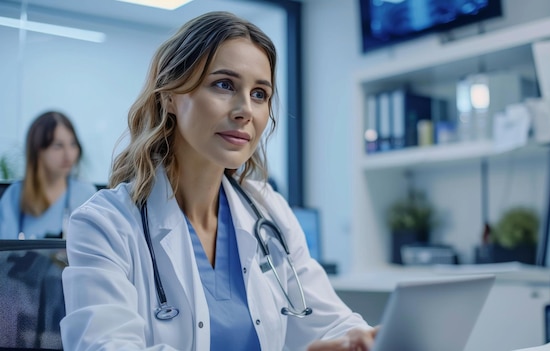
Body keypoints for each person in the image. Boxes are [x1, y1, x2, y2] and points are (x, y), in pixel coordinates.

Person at [60, 11, 378, 351]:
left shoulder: (269, 211)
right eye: (224, 85)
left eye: (260, 94)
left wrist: (359, 338)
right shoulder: (104, 225)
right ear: (170, 96)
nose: (246, 110)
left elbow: (328, 319)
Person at [0, 111, 97, 240]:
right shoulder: (14, 194)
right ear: (38, 150)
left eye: (73, 144)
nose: (68, 155)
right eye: (58, 146)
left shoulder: (86, 193)